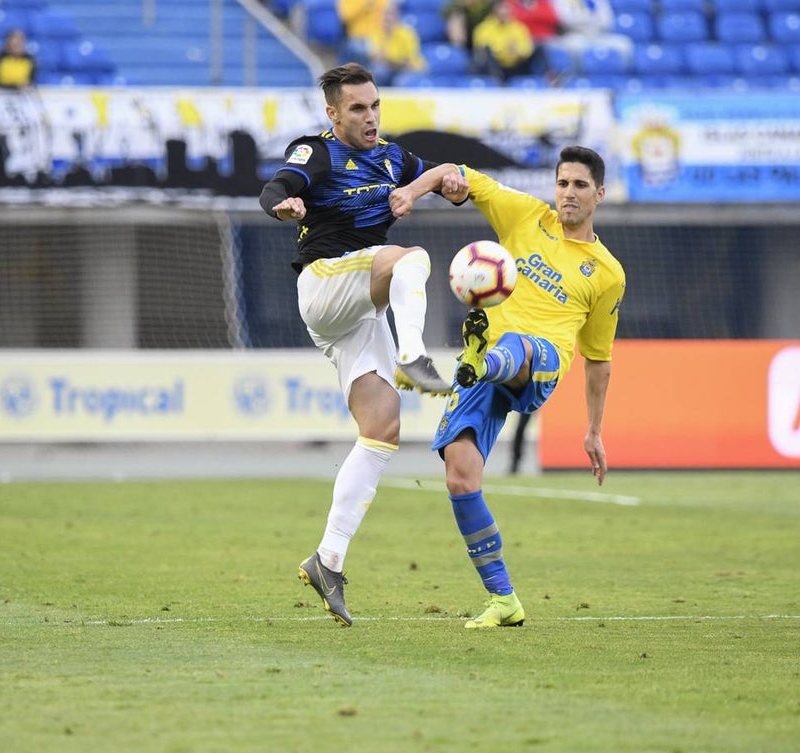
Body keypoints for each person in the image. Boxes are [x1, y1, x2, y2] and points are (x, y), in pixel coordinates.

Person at [258, 62, 465, 627]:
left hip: (360, 304)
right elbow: (277, 186)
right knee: (412, 259)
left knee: (382, 428)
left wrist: (435, 186)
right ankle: (413, 357)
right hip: (326, 283)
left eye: (374, 105)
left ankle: (327, 561)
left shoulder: (393, 158)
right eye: (357, 109)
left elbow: (447, 173)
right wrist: (283, 204)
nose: (370, 117)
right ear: (333, 114)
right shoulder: (318, 153)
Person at [401, 145, 624, 629]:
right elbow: (453, 170)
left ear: (599, 194)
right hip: (487, 363)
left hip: (538, 364)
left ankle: (481, 360)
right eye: (563, 183)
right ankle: (504, 601)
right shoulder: (525, 215)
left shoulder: (607, 273)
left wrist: (594, 431)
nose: (568, 193)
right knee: (460, 477)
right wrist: (413, 192)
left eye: (580, 186)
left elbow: (599, 360)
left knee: (520, 345)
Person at [470, 1, 538, 82]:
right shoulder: (483, 28)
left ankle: (551, 79)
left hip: (515, 64)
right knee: (486, 54)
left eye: (506, 9)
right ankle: (498, 82)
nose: (504, 12)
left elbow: (527, 49)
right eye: (501, 9)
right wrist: (504, 50)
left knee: (540, 49)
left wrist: (518, 51)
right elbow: (481, 51)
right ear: (494, 11)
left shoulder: (519, 27)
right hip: (494, 66)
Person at [365, 4, 427, 86]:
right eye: (385, 17)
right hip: (389, 68)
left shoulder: (407, 33)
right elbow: (375, 57)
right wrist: (386, 39)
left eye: (391, 16)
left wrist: (389, 60)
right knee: (377, 72)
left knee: (400, 81)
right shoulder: (376, 32)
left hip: (409, 69)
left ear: (397, 17)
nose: (387, 19)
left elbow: (407, 61)